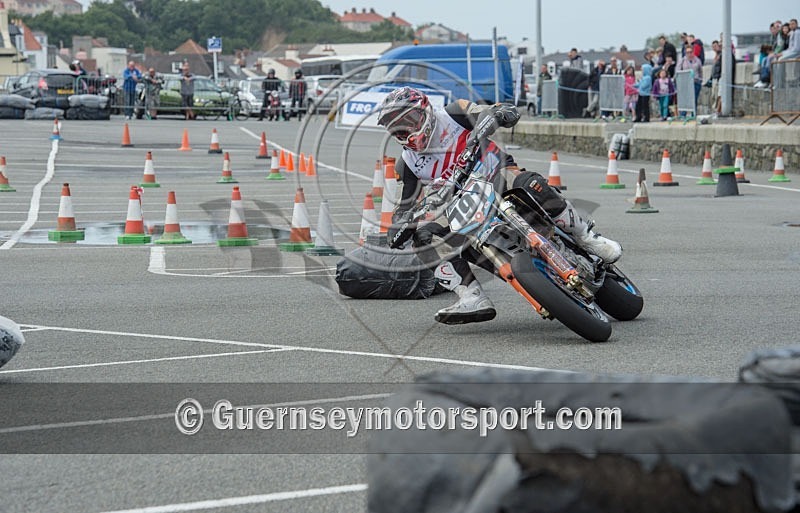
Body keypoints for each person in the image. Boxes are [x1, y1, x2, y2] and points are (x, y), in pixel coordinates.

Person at [376, 87, 622, 324]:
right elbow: (404, 207)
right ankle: (470, 296)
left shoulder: (453, 113)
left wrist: (496, 114)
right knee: (424, 237)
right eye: (399, 128)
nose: (408, 130)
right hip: (465, 209)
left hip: (499, 177)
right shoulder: (407, 164)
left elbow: (494, 111)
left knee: (530, 182)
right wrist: (399, 227)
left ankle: (587, 236)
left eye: (410, 120)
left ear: (425, 110)